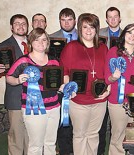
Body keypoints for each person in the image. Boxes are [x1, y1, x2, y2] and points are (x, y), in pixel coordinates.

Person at [60, 13, 109, 155]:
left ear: (97, 29)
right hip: (79, 101)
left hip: (99, 100)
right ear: (79, 29)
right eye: (85, 27)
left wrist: (108, 90)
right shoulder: (71, 47)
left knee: (93, 135)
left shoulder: (102, 48)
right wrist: (69, 88)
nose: (88, 30)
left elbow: (108, 73)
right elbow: (64, 72)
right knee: (80, 135)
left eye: (92, 27)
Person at [6, 28, 61, 155]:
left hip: (54, 107)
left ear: (48, 42)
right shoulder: (23, 61)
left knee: (50, 143)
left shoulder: (54, 60)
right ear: (31, 42)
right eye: (37, 40)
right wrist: (18, 80)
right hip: (33, 108)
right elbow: (9, 78)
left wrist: (62, 86)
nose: (41, 43)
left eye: (44, 39)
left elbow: (57, 81)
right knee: (36, 145)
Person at [0, 14, 29, 155]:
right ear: (11, 27)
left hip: (37, 100)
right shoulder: (3, 46)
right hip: (15, 98)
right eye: (17, 23)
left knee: (32, 139)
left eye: (23, 23)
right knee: (16, 138)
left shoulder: (36, 42)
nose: (21, 26)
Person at [105, 23, 134, 155]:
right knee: (118, 135)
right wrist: (114, 76)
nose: (132, 36)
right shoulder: (113, 52)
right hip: (118, 101)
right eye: (129, 32)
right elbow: (107, 79)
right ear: (123, 35)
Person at [50, 7, 77, 155]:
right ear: (59, 21)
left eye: (69, 19)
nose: (66, 23)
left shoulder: (84, 36)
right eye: (63, 20)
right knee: (63, 122)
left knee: (78, 123)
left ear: (75, 20)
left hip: (80, 85)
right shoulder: (50, 38)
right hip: (60, 86)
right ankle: (66, 151)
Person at [97, 7, 122, 155]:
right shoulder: (98, 35)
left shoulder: (127, 36)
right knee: (101, 121)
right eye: (110, 17)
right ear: (106, 19)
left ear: (120, 18)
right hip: (101, 80)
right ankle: (100, 151)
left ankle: (117, 150)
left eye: (115, 17)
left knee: (117, 123)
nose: (113, 19)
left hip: (119, 84)